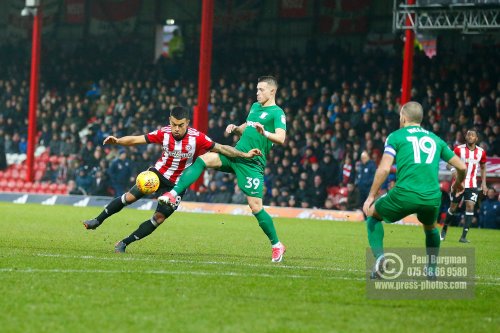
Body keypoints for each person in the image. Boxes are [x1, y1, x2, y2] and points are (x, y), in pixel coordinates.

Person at [82, 106, 261, 253]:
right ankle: (97, 220)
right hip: (158, 175)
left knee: (158, 218)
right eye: (174, 124)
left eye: (180, 125)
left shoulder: (197, 138)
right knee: (129, 197)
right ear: (170, 121)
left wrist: (244, 154)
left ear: (187, 123)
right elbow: (139, 139)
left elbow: (222, 148)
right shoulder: (164, 133)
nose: (176, 128)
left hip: (178, 183)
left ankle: (124, 243)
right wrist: (118, 141)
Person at [158, 76, 287, 262]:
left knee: (256, 207)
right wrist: (236, 129)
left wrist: (264, 133)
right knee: (203, 159)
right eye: (257, 89)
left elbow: (281, 138)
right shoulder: (255, 107)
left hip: (253, 163)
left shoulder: (277, 113)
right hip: (237, 153)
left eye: (261, 90)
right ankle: (173, 193)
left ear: (272, 91)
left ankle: (276, 245)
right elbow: (247, 128)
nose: (257, 93)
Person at [362, 102, 466, 279]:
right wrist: (458, 184)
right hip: (432, 196)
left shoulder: (396, 136)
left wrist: (371, 196)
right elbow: (462, 167)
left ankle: (380, 259)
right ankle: (432, 269)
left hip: (404, 193)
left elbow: (385, 169)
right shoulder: (436, 139)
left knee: (372, 215)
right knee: (430, 227)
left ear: (403, 117)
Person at [440, 129, 488, 243]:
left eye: (473, 135)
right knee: (453, 208)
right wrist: (453, 170)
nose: (470, 136)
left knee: (470, 206)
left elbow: (483, 167)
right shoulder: (458, 149)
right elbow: (448, 164)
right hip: (458, 184)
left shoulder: (481, 152)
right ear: (465, 137)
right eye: (468, 135)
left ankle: (463, 237)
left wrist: (484, 183)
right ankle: (445, 228)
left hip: (472, 184)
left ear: (476, 139)